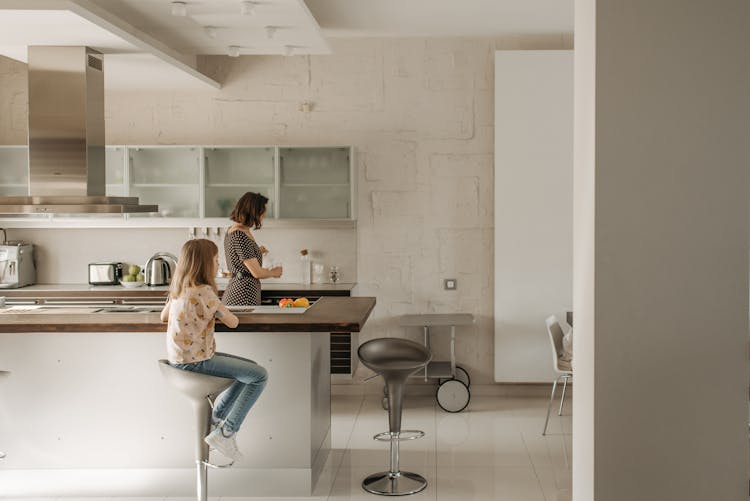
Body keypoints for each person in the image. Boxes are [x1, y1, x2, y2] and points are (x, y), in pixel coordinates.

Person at [161, 238, 268, 461]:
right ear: (204, 264)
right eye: (216, 260)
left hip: (179, 362)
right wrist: (218, 311)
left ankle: (217, 420)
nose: (218, 264)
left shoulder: (179, 290)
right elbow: (233, 322)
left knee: (247, 370)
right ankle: (227, 432)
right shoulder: (205, 293)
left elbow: (163, 317)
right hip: (197, 363)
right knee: (259, 376)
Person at [222, 192, 283, 306]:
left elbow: (241, 256)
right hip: (242, 294)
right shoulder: (239, 234)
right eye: (261, 213)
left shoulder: (239, 230)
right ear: (253, 212)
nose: (263, 216)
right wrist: (274, 272)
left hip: (245, 292)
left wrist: (256, 251)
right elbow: (257, 273)